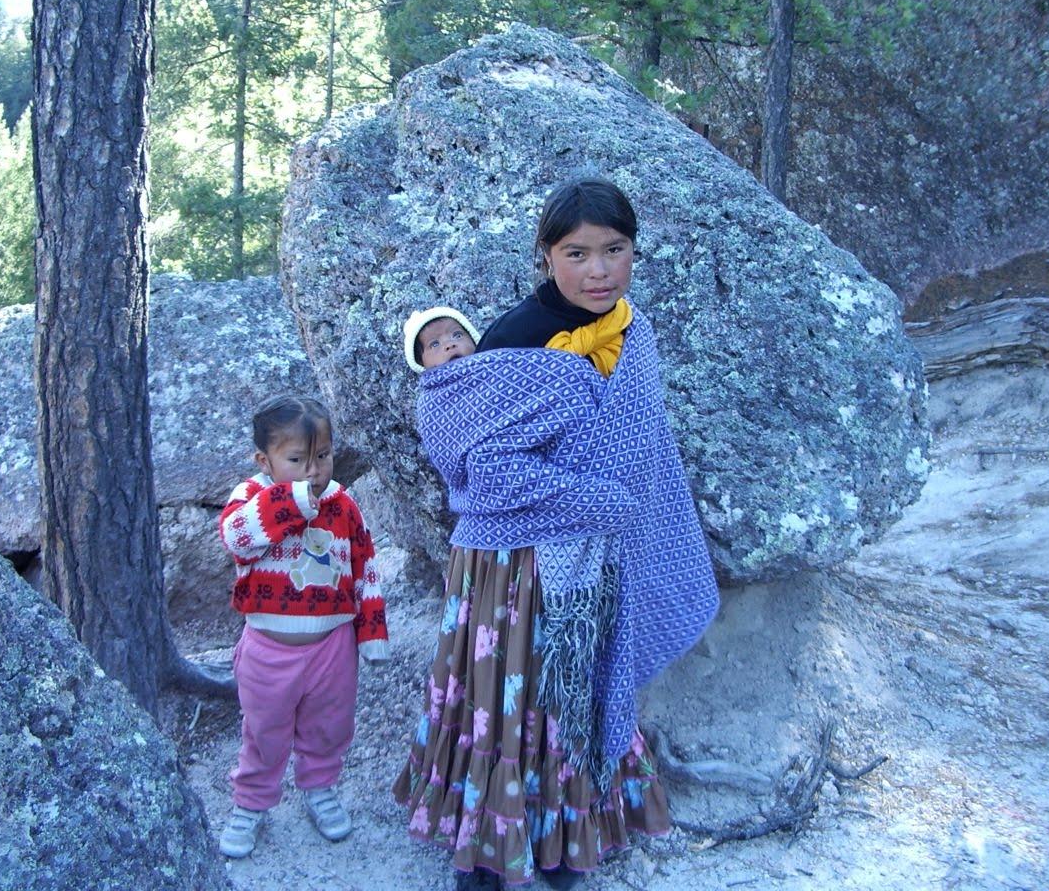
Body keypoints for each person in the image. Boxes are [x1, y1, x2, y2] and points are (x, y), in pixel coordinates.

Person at [394, 177, 720, 890]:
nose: (598, 270)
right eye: (577, 253)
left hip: (593, 559)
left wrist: (621, 504)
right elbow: (483, 466)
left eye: (614, 249)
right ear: (547, 256)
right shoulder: (513, 337)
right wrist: (598, 497)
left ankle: (561, 835)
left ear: (634, 251)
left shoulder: (635, 332)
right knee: (508, 698)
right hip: (511, 563)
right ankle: (487, 846)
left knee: (572, 691)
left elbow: (642, 444)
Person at [217, 395, 389, 858]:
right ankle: (251, 803)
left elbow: (364, 566)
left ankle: (319, 786)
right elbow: (238, 540)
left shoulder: (343, 504)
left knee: (328, 725)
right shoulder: (251, 499)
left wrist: (372, 631)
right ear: (264, 460)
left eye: (323, 456)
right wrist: (291, 499)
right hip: (268, 647)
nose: (313, 471)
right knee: (264, 729)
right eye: (297, 460)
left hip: (332, 644)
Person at [403, 306, 482, 372]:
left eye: (458, 336)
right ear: (421, 362)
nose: (449, 344)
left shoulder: (491, 364)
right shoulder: (433, 389)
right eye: (435, 344)